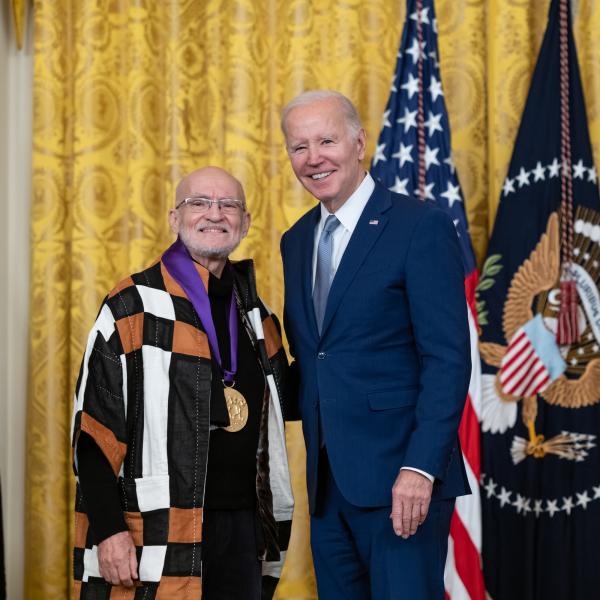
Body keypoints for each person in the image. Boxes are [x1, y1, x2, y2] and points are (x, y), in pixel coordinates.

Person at [279, 90, 471, 599]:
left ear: (359, 142)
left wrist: (420, 467)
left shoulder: (419, 225)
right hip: (327, 487)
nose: (313, 158)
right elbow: (315, 358)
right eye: (299, 147)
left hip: (401, 483)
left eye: (326, 140)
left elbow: (447, 359)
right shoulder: (295, 241)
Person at [71, 166, 294, 599]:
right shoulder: (132, 306)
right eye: (200, 203)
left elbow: (292, 399)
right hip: (156, 528)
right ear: (175, 218)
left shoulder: (257, 315)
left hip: (245, 528)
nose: (215, 214)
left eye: (229, 204)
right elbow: (92, 434)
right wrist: (109, 530)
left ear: (245, 223)